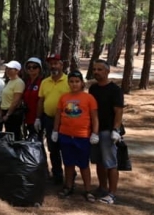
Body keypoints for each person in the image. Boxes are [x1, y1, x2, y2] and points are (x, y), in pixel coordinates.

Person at [52, 70, 99, 201]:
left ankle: (88, 189)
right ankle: (68, 186)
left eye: (77, 81)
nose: (74, 84)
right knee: (68, 163)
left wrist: (95, 133)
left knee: (83, 164)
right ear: (68, 83)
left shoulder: (89, 98)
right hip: (65, 135)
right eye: (71, 82)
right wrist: (55, 131)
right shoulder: (64, 98)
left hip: (82, 136)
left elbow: (94, 117)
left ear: (82, 83)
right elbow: (58, 115)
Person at [89, 59, 124, 205]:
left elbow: (118, 111)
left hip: (108, 132)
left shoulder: (115, 90)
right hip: (95, 131)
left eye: (100, 69)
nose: (96, 72)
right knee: (99, 162)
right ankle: (102, 187)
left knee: (110, 163)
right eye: (95, 69)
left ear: (107, 71)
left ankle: (112, 193)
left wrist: (115, 130)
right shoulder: (93, 89)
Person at [36, 53, 71, 184]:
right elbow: (41, 100)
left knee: (66, 148)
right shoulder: (45, 82)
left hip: (66, 121)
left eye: (56, 63)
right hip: (49, 120)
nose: (53, 66)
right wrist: (38, 118)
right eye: (51, 64)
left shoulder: (69, 81)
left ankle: (70, 177)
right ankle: (57, 176)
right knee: (53, 149)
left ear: (61, 65)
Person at [1, 60, 25, 140]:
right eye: (7, 68)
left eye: (10, 69)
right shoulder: (10, 81)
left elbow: (15, 101)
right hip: (5, 111)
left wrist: (8, 114)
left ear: (17, 71)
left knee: (14, 135)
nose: (7, 70)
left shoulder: (19, 83)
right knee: (8, 134)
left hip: (12, 114)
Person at [23, 57, 44, 139]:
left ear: (39, 69)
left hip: (37, 117)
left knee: (38, 141)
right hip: (27, 117)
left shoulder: (42, 82)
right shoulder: (27, 82)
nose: (31, 69)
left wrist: (38, 118)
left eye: (34, 67)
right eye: (29, 67)